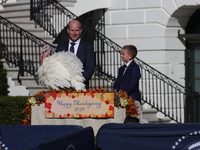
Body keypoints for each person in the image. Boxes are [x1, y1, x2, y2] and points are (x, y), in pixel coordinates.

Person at [56, 20, 95, 90]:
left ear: (80, 30)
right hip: (63, 89)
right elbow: (57, 66)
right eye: (72, 30)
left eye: (76, 30)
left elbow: (90, 69)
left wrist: (75, 82)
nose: (74, 33)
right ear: (68, 30)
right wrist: (65, 82)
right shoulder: (60, 46)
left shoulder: (88, 47)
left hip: (81, 88)